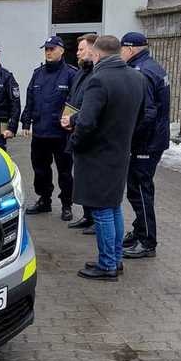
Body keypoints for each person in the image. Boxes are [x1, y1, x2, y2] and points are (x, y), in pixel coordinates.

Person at [63, 35, 145, 281]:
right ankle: (115, 260)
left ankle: (107, 264)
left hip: (97, 156)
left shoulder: (98, 80)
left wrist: (74, 143)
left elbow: (88, 122)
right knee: (113, 207)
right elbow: (140, 116)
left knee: (101, 211)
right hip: (119, 152)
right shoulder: (136, 77)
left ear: (97, 55)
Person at [120, 32, 171, 260]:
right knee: (137, 188)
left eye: (122, 49)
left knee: (140, 190)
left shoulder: (141, 72)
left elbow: (147, 113)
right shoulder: (152, 66)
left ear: (130, 49)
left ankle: (147, 241)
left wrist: (131, 136)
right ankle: (140, 230)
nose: (121, 53)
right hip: (152, 140)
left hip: (146, 143)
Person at [21, 36, 77, 219]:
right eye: (46, 49)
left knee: (65, 172)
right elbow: (30, 99)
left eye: (52, 49)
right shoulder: (38, 73)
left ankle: (67, 204)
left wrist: (70, 122)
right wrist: (26, 122)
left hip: (61, 134)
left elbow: (75, 101)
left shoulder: (71, 74)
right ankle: (44, 200)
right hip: (40, 132)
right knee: (40, 170)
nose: (48, 52)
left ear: (62, 50)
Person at [65, 33, 98, 234]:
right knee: (81, 177)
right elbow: (73, 99)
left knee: (92, 179)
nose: (77, 53)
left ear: (93, 50)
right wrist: (66, 118)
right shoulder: (80, 72)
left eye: (81, 49)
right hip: (75, 129)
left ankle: (96, 219)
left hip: (88, 134)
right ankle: (88, 215)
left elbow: (90, 108)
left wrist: (73, 120)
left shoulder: (97, 75)